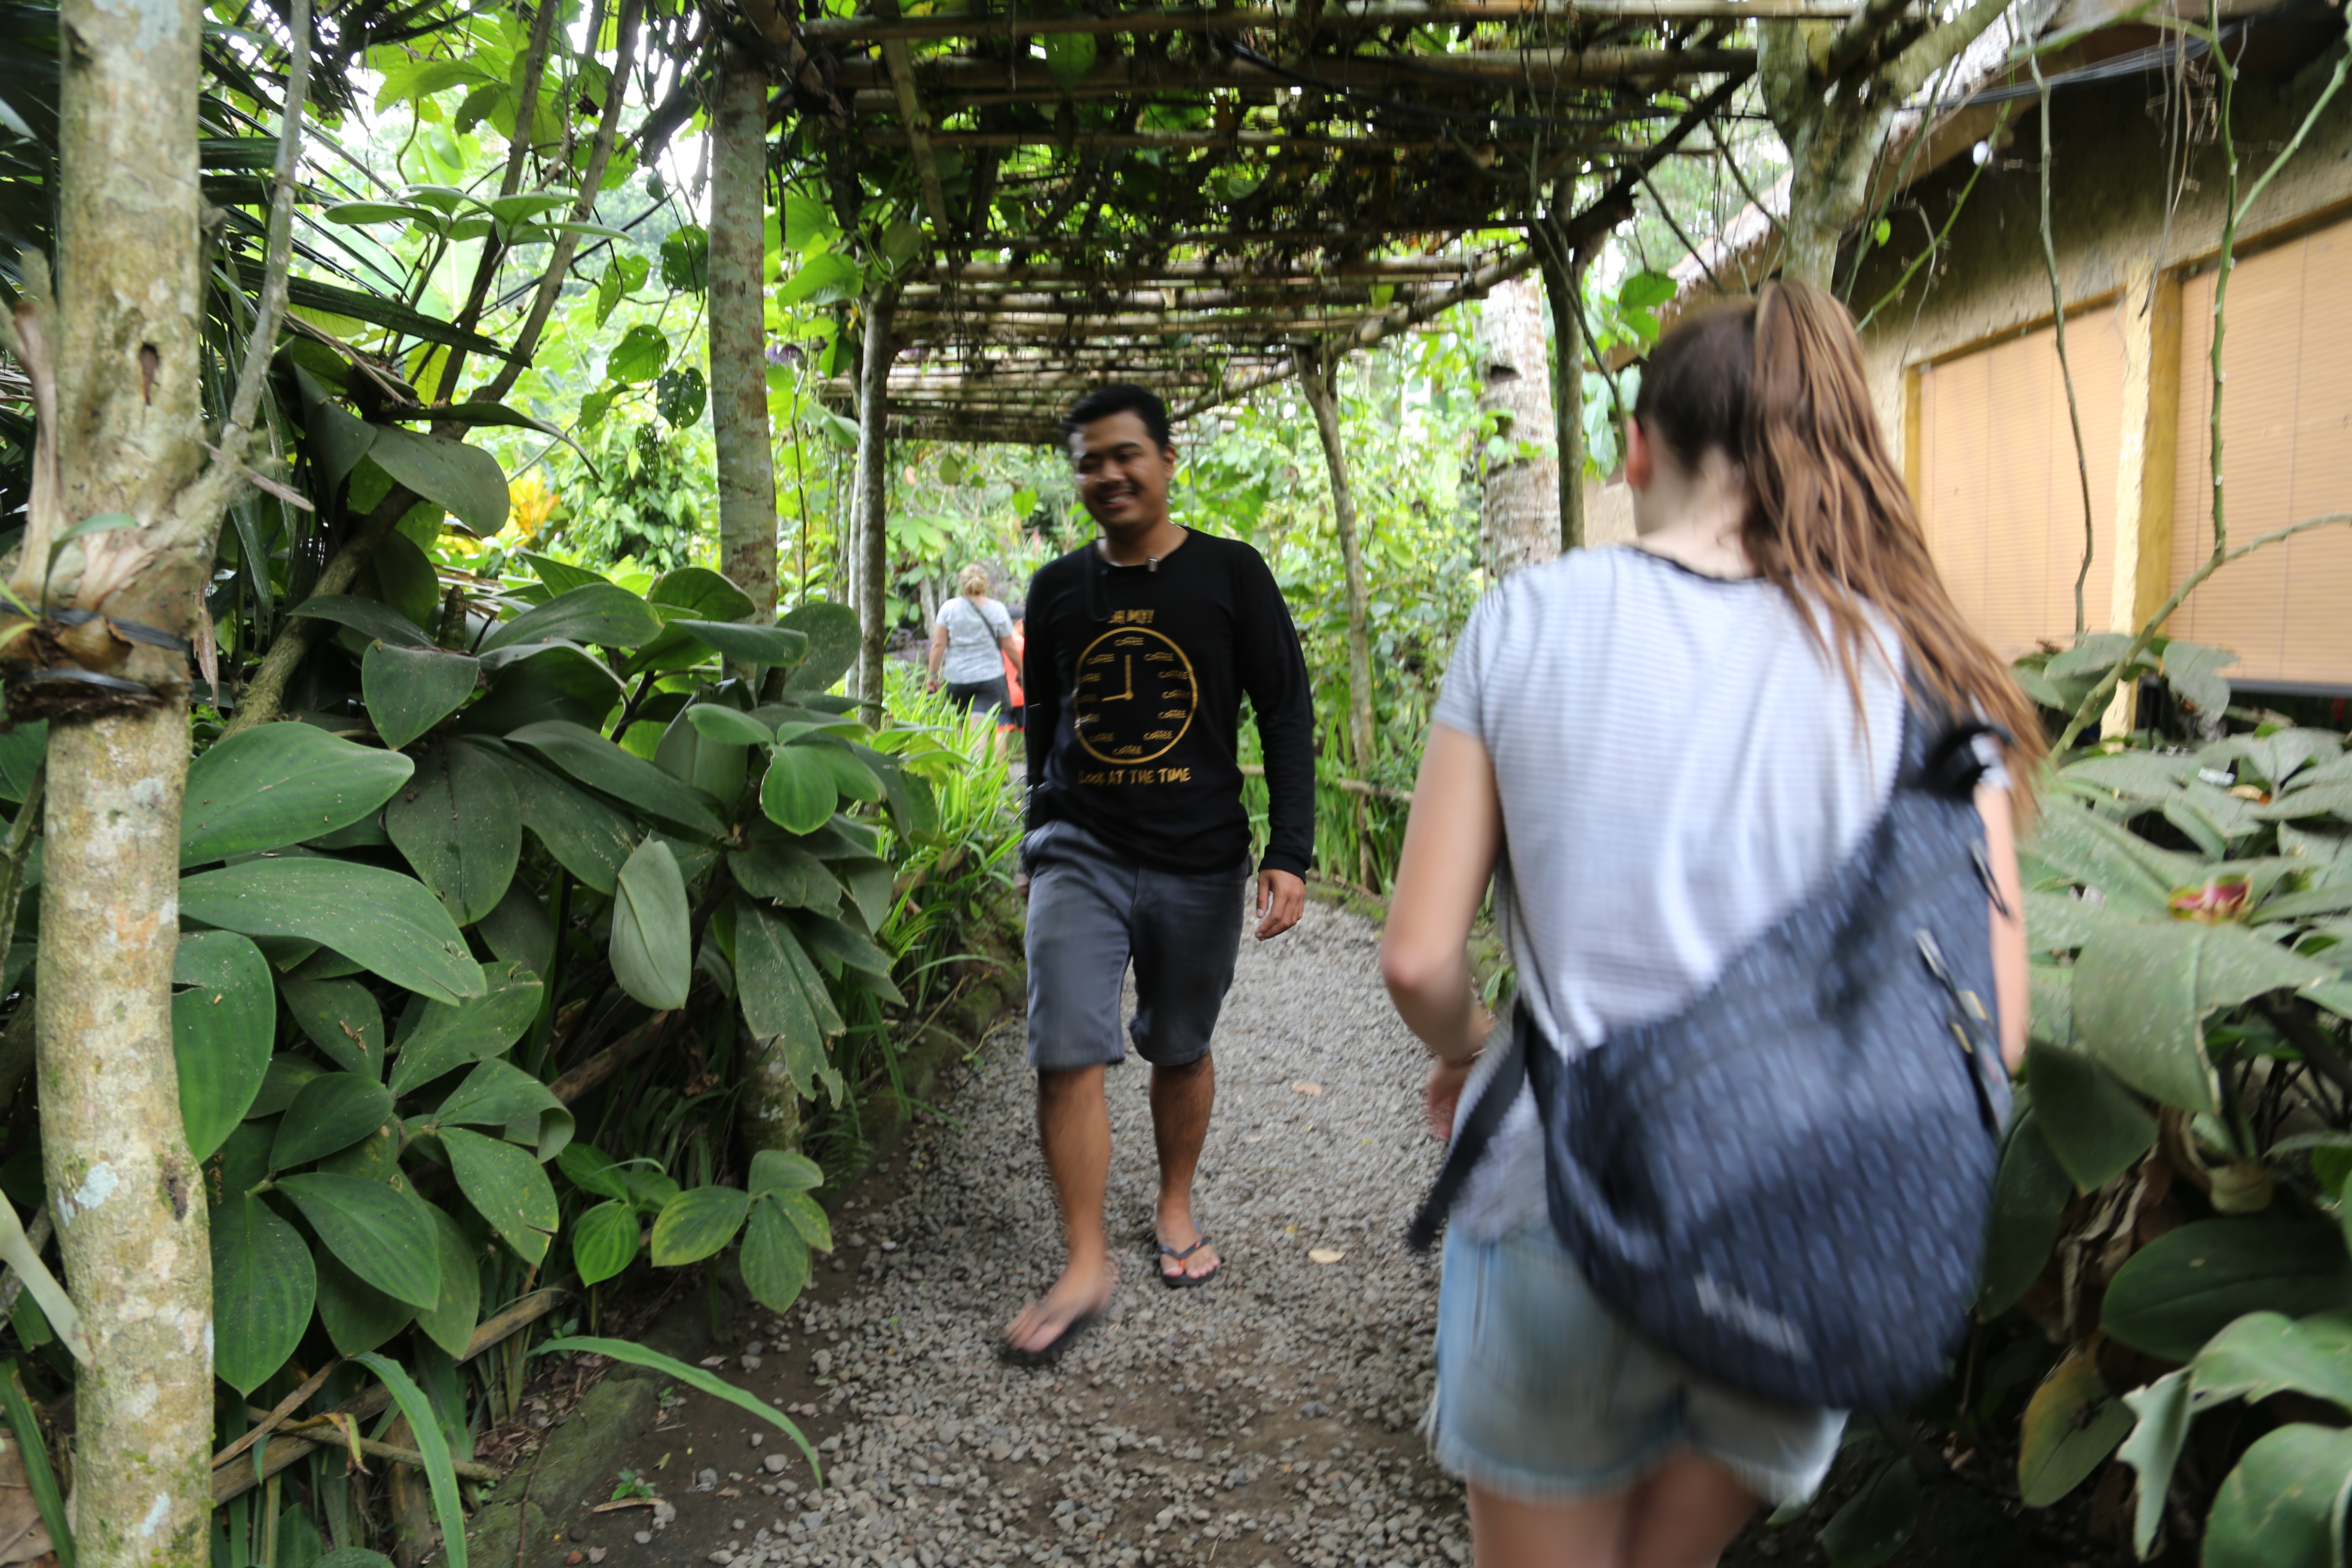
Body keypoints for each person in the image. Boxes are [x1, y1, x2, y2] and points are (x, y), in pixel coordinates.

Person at [1378, 282, 2040, 1568]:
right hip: (1807, 1231)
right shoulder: (1928, 671)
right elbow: (1997, 1023)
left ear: (1639, 447)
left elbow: (1416, 957)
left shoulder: (1529, 621)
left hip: (1556, 1201)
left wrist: (1468, 1053)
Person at [1005, 383, 1315, 1360]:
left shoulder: (1230, 575)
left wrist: (1289, 852)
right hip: (1079, 852)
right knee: (1065, 1047)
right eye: (1088, 460)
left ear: (1166, 460)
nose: (1107, 474)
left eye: (1124, 454)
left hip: (1197, 856)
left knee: (1178, 1044)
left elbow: (1286, 708)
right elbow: (1045, 728)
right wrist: (1035, 834)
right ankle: (1084, 1260)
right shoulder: (1056, 589)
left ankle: (1173, 1204)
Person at [928, 564, 1017, 758]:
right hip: (990, 678)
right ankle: (978, 783)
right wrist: (1023, 670)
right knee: (980, 730)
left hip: (957, 679)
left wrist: (933, 675)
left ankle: (963, 782)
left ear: (961, 584)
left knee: (962, 730)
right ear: (985, 585)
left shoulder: (949, 608)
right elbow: (1009, 646)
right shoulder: (997, 609)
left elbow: (938, 645)